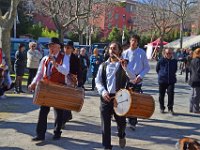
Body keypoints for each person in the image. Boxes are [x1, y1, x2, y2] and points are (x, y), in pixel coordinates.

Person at [29, 37, 70, 141]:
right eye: (49, 46)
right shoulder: (45, 58)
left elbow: (65, 71)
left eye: (53, 46)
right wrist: (33, 83)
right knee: (43, 110)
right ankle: (40, 134)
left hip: (58, 87)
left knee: (58, 111)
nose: (51, 48)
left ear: (59, 47)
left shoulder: (64, 57)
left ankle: (57, 132)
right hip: (46, 88)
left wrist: (56, 63)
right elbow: (39, 73)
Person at [95, 41, 133, 150]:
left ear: (119, 51)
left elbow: (133, 78)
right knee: (105, 124)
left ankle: (121, 135)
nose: (112, 50)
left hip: (120, 98)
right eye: (110, 48)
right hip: (105, 98)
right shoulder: (103, 65)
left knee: (121, 123)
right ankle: (107, 146)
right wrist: (103, 92)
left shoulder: (124, 64)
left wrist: (125, 68)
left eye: (114, 48)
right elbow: (98, 81)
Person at [122, 35, 150, 130]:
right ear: (129, 41)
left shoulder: (142, 53)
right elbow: (122, 67)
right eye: (132, 40)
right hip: (127, 79)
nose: (133, 42)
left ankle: (132, 121)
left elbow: (147, 67)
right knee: (125, 99)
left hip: (137, 79)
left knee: (135, 100)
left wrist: (140, 76)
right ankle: (125, 117)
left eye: (135, 41)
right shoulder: (125, 53)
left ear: (137, 42)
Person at [61, 41, 83, 128]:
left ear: (72, 49)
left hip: (71, 81)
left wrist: (80, 81)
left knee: (67, 100)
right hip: (61, 80)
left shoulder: (75, 58)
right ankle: (66, 117)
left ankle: (63, 120)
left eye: (68, 48)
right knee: (61, 100)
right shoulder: (60, 57)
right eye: (65, 47)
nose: (66, 49)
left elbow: (79, 70)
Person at [156, 48, 177, 115]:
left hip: (171, 81)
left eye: (170, 53)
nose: (168, 54)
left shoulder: (174, 61)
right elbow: (157, 69)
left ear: (172, 54)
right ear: (164, 53)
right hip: (162, 80)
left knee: (171, 94)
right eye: (167, 53)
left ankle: (170, 108)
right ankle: (162, 107)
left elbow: (175, 69)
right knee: (161, 95)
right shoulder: (161, 60)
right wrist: (161, 74)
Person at [189, 48, 200, 113]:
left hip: (192, 79)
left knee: (192, 94)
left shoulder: (192, 60)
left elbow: (190, 69)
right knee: (196, 95)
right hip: (197, 79)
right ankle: (196, 109)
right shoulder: (198, 61)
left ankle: (191, 108)